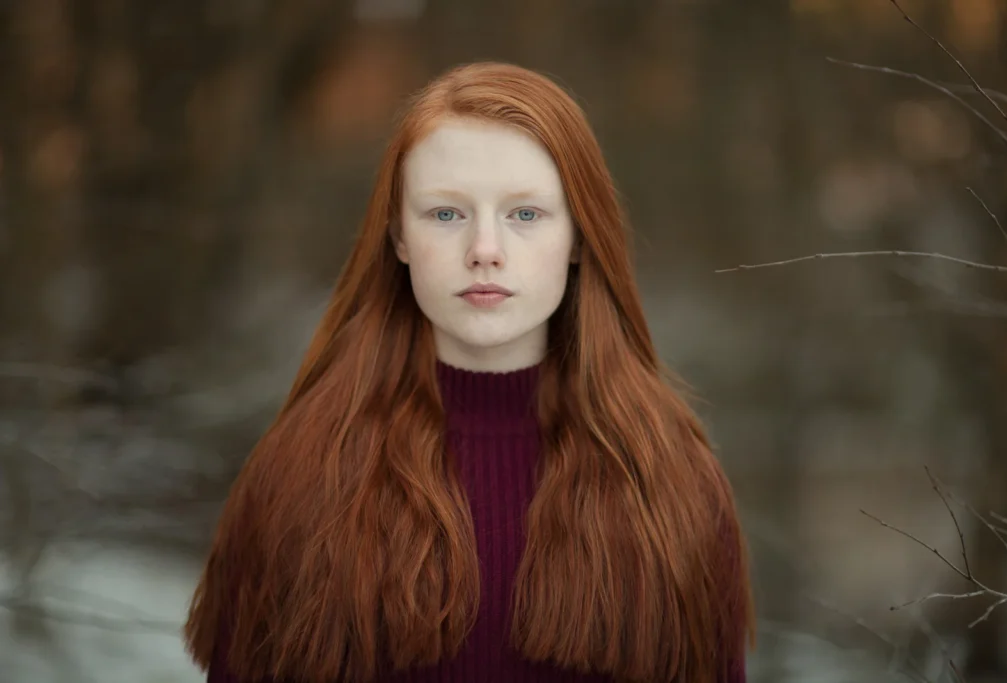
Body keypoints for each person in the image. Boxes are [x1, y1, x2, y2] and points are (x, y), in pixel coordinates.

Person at [183, 61, 755, 683]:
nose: (485, 249)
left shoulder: (671, 480)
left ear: (579, 237)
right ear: (398, 236)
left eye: (525, 214)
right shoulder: (299, 472)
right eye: (446, 214)